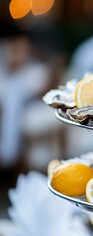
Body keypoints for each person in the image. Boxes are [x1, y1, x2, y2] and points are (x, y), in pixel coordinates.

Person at [0, 33, 50, 168]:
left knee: (13, 96)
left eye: (20, 48)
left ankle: (8, 154)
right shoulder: (3, 70)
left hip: (30, 108)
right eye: (12, 48)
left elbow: (39, 89)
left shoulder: (37, 71)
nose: (15, 53)